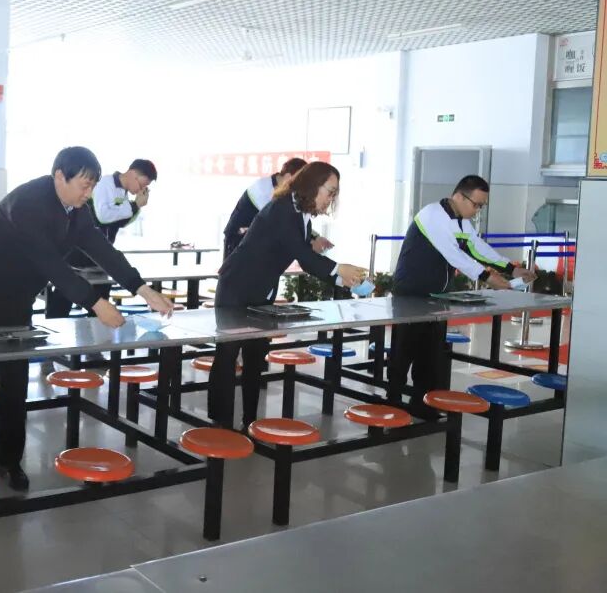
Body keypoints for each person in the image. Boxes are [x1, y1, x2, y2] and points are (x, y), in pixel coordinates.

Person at [0, 147, 175, 490]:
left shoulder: (75, 210)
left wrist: (142, 289)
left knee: (14, 385)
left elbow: (102, 249)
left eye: (92, 186)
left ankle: (10, 460)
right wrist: (96, 303)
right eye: (84, 186)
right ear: (60, 176)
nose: (88, 194)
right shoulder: (27, 203)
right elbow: (50, 264)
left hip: (15, 302)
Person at [211, 161, 367, 430]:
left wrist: (343, 279)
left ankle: (250, 422)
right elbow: (303, 254)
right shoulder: (283, 209)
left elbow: (305, 257)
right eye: (330, 192)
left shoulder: (300, 213)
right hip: (236, 288)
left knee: (254, 357)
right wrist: (338, 270)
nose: (331, 199)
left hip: (260, 291)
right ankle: (220, 425)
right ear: (313, 185)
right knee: (227, 356)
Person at [389, 175, 535, 414]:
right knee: (404, 351)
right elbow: (453, 254)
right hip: (411, 294)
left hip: (438, 297)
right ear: (459, 196)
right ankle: (393, 403)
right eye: (476, 204)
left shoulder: (462, 223)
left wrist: (511, 269)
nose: (477, 211)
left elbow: (478, 248)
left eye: (481, 206)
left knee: (430, 355)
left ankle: (422, 406)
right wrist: (488, 277)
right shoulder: (432, 215)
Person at [45, 158, 157, 319]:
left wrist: (136, 206)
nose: (141, 190)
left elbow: (118, 222)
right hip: (78, 256)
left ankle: (95, 333)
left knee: (99, 311)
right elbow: (103, 216)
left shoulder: (122, 193)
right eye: (142, 184)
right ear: (133, 174)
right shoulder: (105, 184)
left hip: (99, 259)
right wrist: (134, 206)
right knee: (64, 301)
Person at [223, 157, 333, 259]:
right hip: (236, 241)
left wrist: (315, 237)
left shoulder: (280, 191)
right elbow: (285, 223)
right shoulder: (264, 189)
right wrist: (312, 241)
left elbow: (294, 220)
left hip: (251, 243)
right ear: (288, 177)